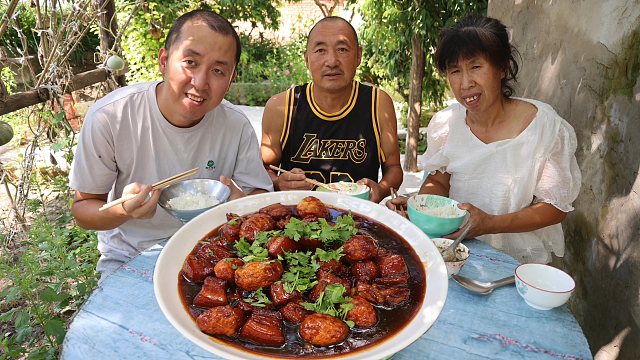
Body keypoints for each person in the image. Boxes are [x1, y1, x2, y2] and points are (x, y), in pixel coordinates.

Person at [69, 9, 273, 278]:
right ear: (164, 60)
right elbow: (83, 210)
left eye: (218, 70)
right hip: (131, 256)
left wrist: (242, 206)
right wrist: (125, 210)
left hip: (212, 252)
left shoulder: (235, 125)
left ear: (231, 77)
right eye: (190, 62)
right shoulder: (111, 117)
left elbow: (259, 195)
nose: (200, 83)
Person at [387, 15, 581, 264]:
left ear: (504, 68)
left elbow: (554, 208)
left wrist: (490, 223)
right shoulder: (447, 124)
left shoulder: (544, 127)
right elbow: (439, 180)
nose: (465, 83)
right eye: (455, 71)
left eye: (476, 67)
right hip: (453, 252)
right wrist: (421, 207)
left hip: (517, 263)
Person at [261, 16, 403, 203]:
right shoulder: (281, 106)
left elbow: (393, 168)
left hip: (357, 219)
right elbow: (263, 169)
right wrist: (279, 182)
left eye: (342, 49)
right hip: (296, 221)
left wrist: (381, 189)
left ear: (358, 56)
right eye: (320, 50)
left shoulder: (377, 103)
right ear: (306, 58)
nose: (332, 61)